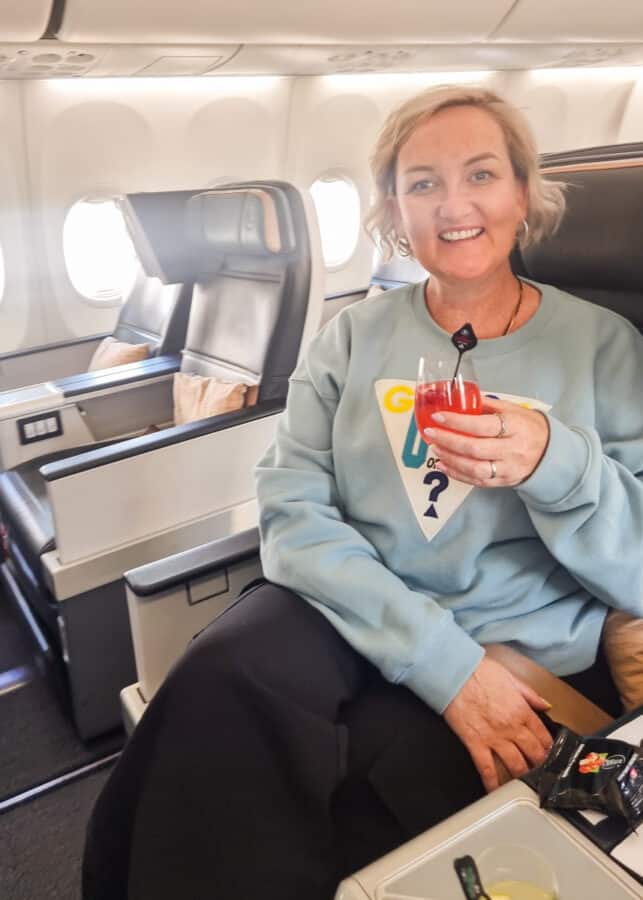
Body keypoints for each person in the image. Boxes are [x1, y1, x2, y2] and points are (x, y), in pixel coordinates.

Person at [83, 85, 643, 900]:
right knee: (215, 683)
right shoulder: (351, 335)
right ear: (392, 209)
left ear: (523, 192)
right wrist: (439, 663)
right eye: (422, 183)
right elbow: (291, 509)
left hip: (515, 648)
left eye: (481, 174)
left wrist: (557, 462)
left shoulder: (605, 349)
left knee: (352, 795)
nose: (453, 205)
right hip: (351, 607)